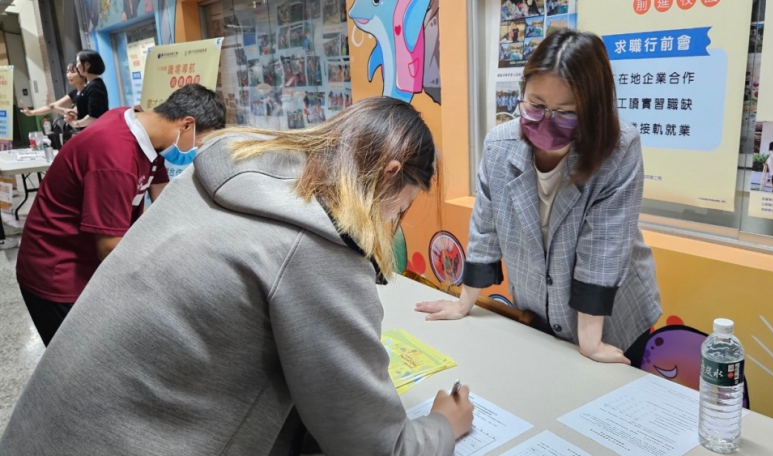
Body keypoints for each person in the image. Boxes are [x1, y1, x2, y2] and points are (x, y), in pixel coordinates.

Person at [0, 96, 474, 455]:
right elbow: (376, 446)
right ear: (389, 175)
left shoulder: (224, 173)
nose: (391, 225)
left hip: (44, 434)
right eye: (401, 209)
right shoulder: (316, 247)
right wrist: (441, 426)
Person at [416, 30, 662, 366]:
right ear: (523, 93)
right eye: (537, 105)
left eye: (565, 112)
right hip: (539, 307)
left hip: (610, 318)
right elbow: (485, 229)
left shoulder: (618, 149)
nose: (547, 121)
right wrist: (464, 303)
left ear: (593, 110)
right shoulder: (499, 146)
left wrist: (590, 341)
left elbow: (603, 246)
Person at [14, 84, 226, 347]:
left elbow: (163, 198)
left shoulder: (141, 128)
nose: (196, 150)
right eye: (199, 142)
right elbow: (109, 247)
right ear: (186, 124)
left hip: (88, 263)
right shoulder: (115, 158)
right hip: (59, 272)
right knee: (80, 367)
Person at [20, 63, 86, 118]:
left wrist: (54, 107)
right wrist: (32, 112)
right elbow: (51, 107)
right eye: (67, 72)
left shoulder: (88, 92)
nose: (69, 75)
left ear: (82, 73)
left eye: (72, 72)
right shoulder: (74, 93)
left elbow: (74, 114)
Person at [66, 49, 109, 129]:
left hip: (96, 132)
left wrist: (75, 123)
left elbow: (93, 117)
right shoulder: (89, 85)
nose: (77, 66)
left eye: (78, 62)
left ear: (87, 65)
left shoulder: (95, 86)